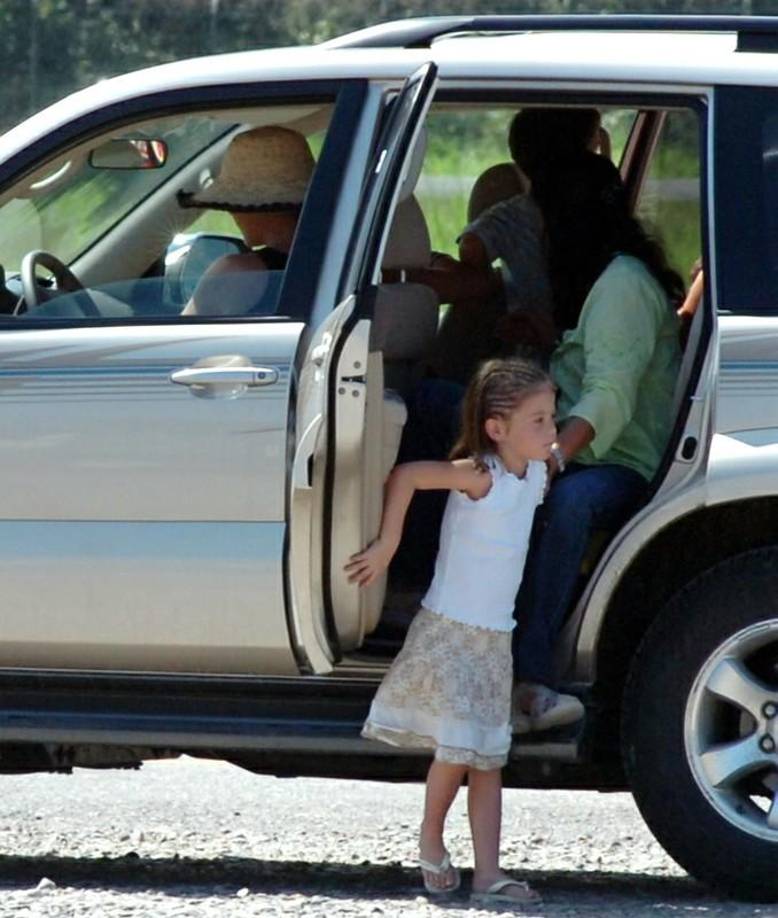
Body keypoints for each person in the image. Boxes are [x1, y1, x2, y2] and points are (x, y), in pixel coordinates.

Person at [346, 358, 555, 906]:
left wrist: (567, 436)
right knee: (458, 750)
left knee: (487, 756)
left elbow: (566, 444)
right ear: (496, 429)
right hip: (453, 632)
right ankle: (430, 839)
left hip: (493, 640)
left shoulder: (534, 472)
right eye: (538, 420)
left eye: (552, 418)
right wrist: (388, 544)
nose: (551, 430)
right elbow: (409, 475)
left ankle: (489, 873)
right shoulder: (478, 475)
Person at [512, 150, 684, 732]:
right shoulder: (606, 280)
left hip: (620, 459)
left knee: (568, 503)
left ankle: (531, 675)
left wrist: (553, 456)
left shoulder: (621, 286)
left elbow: (609, 395)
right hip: (593, 447)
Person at [177, 125, 314, 315]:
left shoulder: (238, 272)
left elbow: (182, 341)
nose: (229, 213)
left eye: (230, 205)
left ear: (253, 208)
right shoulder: (346, 260)